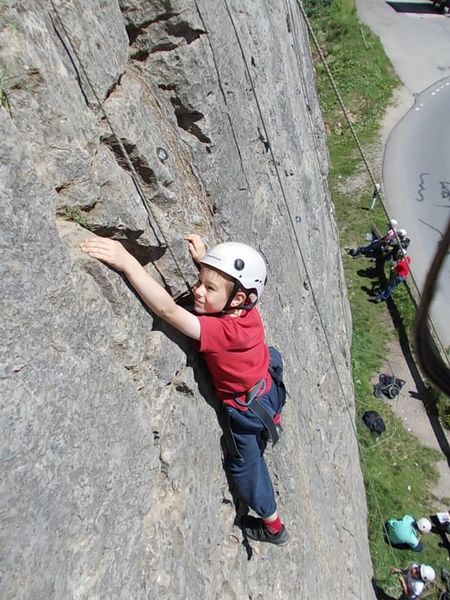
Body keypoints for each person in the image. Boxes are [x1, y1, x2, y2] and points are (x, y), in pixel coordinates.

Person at [80, 233, 289, 546]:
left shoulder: (223, 331)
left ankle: (273, 526)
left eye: (209, 288)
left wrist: (128, 263)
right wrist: (206, 262)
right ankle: (273, 418)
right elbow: (224, 291)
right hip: (266, 383)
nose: (197, 290)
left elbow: (169, 311)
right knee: (272, 356)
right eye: (200, 281)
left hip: (245, 409)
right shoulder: (246, 310)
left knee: (245, 467)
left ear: (237, 299)